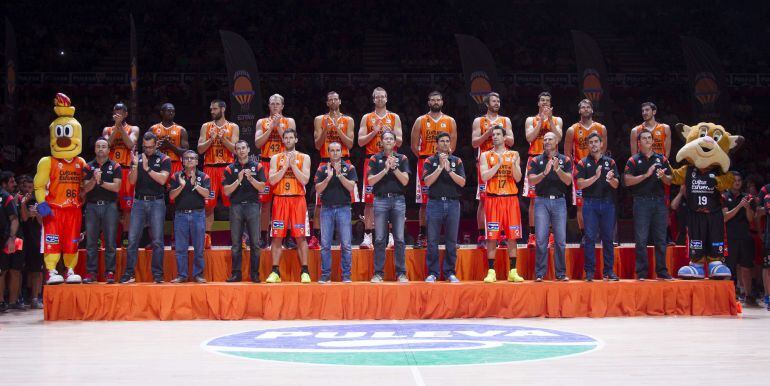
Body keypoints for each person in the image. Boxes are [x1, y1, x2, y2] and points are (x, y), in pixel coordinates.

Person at [121, 132, 171, 284]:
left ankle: (158, 275)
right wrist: (135, 166)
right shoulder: (138, 157)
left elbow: (163, 180)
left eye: (150, 147)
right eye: (145, 147)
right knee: (132, 239)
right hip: (139, 202)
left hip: (157, 202)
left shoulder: (164, 159)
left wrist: (147, 168)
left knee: (157, 240)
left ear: (156, 145)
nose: (147, 150)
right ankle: (129, 274)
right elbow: (131, 181)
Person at [623, 129, 674, 281]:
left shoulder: (662, 159)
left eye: (648, 138)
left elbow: (670, 180)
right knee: (641, 239)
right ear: (639, 143)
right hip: (641, 202)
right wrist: (646, 175)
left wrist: (663, 176)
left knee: (660, 239)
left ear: (652, 141)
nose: (646, 140)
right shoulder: (633, 160)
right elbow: (627, 180)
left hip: (659, 202)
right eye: (643, 138)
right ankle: (642, 273)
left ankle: (662, 272)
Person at [358, 87, 403, 249]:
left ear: (386, 98)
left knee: (391, 198)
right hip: (371, 160)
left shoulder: (394, 117)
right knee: (369, 202)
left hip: (390, 160)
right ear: (373, 99)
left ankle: (391, 237)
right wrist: (374, 132)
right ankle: (368, 236)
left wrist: (389, 133)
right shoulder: (367, 118)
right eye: (377, 97)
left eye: (382, 97)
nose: (380, 99)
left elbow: (400, 142)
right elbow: (360, 142)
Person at [410, 91, 457, 248]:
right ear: (428, 102)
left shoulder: (450, 121)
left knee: (446, 199)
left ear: (442, 102)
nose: (436, 102)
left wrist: (441, 160)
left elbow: (453, 146)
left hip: (445, 162)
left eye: (438, 99)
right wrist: (429, 160)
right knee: (424, 202)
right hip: (426, 162)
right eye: (433, 100)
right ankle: (423, 236)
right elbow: (413, 145)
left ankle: (448, 238)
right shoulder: (420, 120)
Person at [266, 129, 311, 283]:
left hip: (298, 200)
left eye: (292, 137)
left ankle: (305, 271)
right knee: (277, 237)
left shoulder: (304, 157)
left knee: (300, 236)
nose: (289, 140)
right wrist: (285, 167)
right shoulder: (275, 158)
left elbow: (305, 180)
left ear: (296, 140)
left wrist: (293, 166)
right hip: (280, 200)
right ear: (283, 140)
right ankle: (275, 272)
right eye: (286, 138)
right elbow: (272, 181)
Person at [479, 126, 523, 283]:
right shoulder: (485, 155)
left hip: (511, 199)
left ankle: (513, 271)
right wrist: (497, 165)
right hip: (493, 199)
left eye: (498, 134)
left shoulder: (514, 154)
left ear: (505, 138)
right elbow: (484, 176)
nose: (495, 137)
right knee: (492, 237)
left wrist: (512, 164)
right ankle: (491, 272)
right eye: (493, 134)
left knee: (512, 237)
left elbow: (518, 178)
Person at [312, 91, 355, 250]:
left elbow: (350, 144)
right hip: (325, 162)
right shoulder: (319, 119)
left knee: (345, 201)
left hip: (344, 162)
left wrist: (337, 129)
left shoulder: (348, 120)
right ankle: (316, 238)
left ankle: (344, 237)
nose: (333, 101)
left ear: (340, 101)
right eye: (330, 99)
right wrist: (326, 129)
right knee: (319, 203)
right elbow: (317, 145)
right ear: (327, 103)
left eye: (335, 99)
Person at [471, 92, 514, 249]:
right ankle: (482, 235)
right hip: (484, 163)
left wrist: (500, 134)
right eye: (494, 101)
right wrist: (488, 133)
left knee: (502, 199)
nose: (497, 103)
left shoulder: (505, 120)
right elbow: (475, 143)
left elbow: (512, 140)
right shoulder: (479, 121)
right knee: (483, 200)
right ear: (487, 104)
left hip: (502, 162)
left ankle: (502, 234)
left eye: (498, 101)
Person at [527, 132, 572, 281]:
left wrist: (558, 169)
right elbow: (531, 180)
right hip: (541, 202)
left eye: (549, 139)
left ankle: (560, 273)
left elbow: (568, 181)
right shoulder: (536, 160)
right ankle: (540, 273)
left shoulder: (565, 160)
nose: (546, 141)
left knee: (560, 240)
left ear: (556, 141)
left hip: (559, 201)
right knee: (541, 240)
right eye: (544, 139)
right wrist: (544, 173)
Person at [575, 132, 619, 281]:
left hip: (607, 204)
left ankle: (609, 271)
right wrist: (595, 177)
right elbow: (579, 184)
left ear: (601, 144)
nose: (593, 145)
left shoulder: (610, 162)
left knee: (608, 239)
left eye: (596, 142)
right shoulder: (582, 162)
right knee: (590, 239)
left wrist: (611, 179)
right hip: (590, 204)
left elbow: (616, 184)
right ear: (588, 146)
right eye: (591, 142)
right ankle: (589, 272)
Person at [423, 132, 465, 283]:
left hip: (453, 204)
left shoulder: (457, 161)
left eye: (448, 141)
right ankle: (433, 273)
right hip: (434, 203)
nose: (445, 143)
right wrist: (440, 168)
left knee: (451, 241)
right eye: (442, 141)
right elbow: (427, 182)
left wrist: (449, 170)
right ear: (437, 144)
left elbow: (462, 182)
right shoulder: (429, 160)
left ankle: (449, 272)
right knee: (432, 241)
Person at [368, 130, 410, 283]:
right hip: (380, 201)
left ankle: (401, 273)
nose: (388, 141)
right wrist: (385, 169)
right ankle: (378, 273)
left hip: (398, 200)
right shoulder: (374, 158)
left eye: (391, 138)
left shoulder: (402, 158)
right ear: (381, 142)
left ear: (395, 142)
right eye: (385, 138)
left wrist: (394, 168)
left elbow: (405, 181)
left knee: (399, 239)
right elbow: (371, 181)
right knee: (379, 239)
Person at [255, 94, 296, 248]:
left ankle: (288, 237)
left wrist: (278, 126)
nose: (275, 106)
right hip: (266, 164)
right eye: (272, 104)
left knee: (287, 202)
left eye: (278, 104)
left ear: (282, 106)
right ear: (269, 105)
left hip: (284, 163)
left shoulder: (289, 121)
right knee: (265, 204)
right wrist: (270, 127)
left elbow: (289, 143)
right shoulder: (262, 122)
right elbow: (258, 143)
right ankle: (263, 237)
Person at [564, 99, 607, 241]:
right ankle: (584, 236)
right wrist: (575, 170)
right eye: (583, 107)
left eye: (588, 107)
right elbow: (567, 154)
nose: (586, 109)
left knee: (600, 202)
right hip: (580, 171)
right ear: (579, 111)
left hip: (597, 169)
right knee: (581, 206)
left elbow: (604, 149)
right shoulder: (572, 129)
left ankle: (600, 234)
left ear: (592, 110)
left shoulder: (601, 128)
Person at [223, 140, 266, 283]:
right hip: (236, 207)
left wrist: (251, 179)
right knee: (236, 244)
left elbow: (262, 188)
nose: (241, 151)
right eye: (238, 149)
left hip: (253, 206)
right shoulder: (229, 169)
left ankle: (255, 274)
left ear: (248, 149)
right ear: (235, 151)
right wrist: (238, 179)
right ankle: (236, 274)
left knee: (255, 243)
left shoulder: (258, 166)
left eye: (243, 148)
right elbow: (226, 191)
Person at [198, 99, 239, 249]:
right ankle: (207, 238)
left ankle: (238, 238)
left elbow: (235, 149)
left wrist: (222, 138)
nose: (212, 111)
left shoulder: (233, 127)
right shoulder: (206, 127)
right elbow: (200, 149)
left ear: (223, 109)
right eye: (211, 109)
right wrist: (211, 138)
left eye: (214, 109)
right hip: (209, 168)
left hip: (227, 169)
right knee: (208, 206)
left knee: (233, 205)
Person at [314, 142, 357, 283]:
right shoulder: (321, 169)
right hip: (326, 209)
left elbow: (351, 187)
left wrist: (339, 175)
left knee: (346, 244)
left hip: (344, 208)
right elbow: (318, 189)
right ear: (328, 152)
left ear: (342, 152)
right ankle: (325, 275)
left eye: (337, 150)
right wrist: (328, 178)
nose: (335, 153)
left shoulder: (349, 167)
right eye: (332, 150)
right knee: (325, 244)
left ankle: (346, 275)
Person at [524, 92, 563, 247]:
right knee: (534, 200)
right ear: (538, 103)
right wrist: (541, 122)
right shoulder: (530, 120)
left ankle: (552, 235)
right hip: (535, 160)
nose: (545, 103)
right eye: (542, 101)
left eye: (548, 101)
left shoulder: (557, 119)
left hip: (552, 159)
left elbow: (558, 137)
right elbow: (529, 138)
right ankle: (532, 235)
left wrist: (550, 121)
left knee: (553, 196)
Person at [81, 138, 122, 284]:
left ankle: (110, 272)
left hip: (110, 206)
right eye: (98, 146)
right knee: (91, 241)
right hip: (91, 206)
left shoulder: (115, 166)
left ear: (108, 150)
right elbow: (85, 189)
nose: (100, 149)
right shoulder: (88, 166)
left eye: (103, 146)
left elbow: (117, 187)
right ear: (94, 149)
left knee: (110, 241)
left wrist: (101, 182)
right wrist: (93, 179)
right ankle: (91, 273)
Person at [168, 150, 209, 284]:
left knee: (199, 247)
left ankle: (198, 274)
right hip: (181, 215)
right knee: (180, 248)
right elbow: (171, 196)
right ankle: (182, 275)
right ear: (182, 161)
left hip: (198, 214)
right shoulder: (176, 176)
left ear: (197, 161)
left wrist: (195, 184)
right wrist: (182, 185)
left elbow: (207, 194)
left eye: (192, 158)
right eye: (187, 158)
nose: (189, 161)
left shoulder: (203, 177)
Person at [102, 102, 139, 245]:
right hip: (111, 170)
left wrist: (121, 129)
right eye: (115, 112)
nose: (117, 114)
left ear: (126, 114)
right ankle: (106, 236)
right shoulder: (107, 129)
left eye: (120, 112)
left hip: (126, 170)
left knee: (127, 207)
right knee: (108, 205)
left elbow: (130, 144)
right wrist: (116, 127)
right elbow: (106, 146)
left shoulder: (133, 128)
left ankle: (126, 236)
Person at [722, 171, 755, 303]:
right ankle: (728, 295)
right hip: (730, 237)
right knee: (729, 268)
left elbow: (751, 219)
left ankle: (748, 295)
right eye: (734, 180)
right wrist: (739, 206)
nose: (737, 182)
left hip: (745, 236)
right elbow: (724, 217)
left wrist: (747, 208)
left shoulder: (747, 197)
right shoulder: (724, 196)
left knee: (746, 267)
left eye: (739, 180)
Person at [18, 175, 43, 308]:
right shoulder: (18, 201)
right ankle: (23, 297)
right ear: (21, 187)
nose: (28, 190)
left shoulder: (39, 201)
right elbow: (24, 218)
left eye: (30, 187)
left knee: (37, 271)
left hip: (36, 239)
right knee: (22, 270)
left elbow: (42, 221)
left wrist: (38, 213)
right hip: (23, 239)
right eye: (25, 187)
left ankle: (35, 298)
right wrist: (24, 207)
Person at [150, 103, 189, 184]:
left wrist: (170, 145)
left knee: (175, 194)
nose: (171, 113)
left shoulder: (181, 130)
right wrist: (157, 147)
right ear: (161, 112)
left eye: (173, 111)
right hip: (158, 163)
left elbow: (186, 153)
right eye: (168, 111)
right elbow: (144, 149)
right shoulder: (153, 129)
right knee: (157, 192)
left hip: (175, 164)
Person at [0, 172, 22, 310]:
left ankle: (12, 302)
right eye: (11, 182)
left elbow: (14, 219)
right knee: (2, 271)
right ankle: (1, 302)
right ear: (3, 183)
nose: (14, 185)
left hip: (7, 238)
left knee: (13, 270)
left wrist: (11, 239)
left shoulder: (6, 197)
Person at [757, 182, 770, 310]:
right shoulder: (765, 190)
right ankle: (768, 296)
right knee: (767, 267)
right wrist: (766, 209)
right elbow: (757, 210)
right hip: (769, 237)